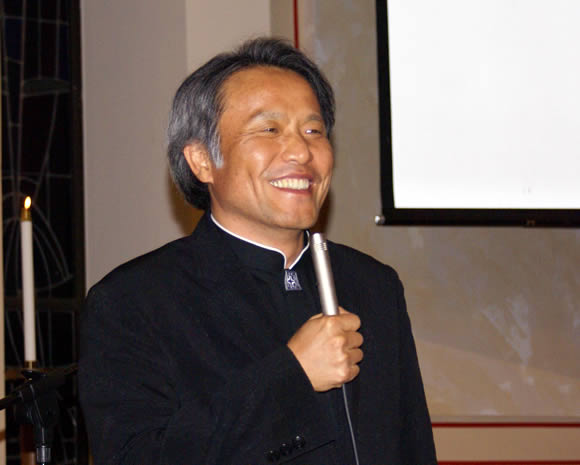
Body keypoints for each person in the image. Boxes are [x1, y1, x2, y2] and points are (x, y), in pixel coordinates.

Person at [79, 38, 437, 465]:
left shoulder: (374, 285)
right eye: (270, 130)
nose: (301, 151)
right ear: (201, 160)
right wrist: (291, 378)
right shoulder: (134, 301)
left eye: (313, 131)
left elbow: (412, 447)